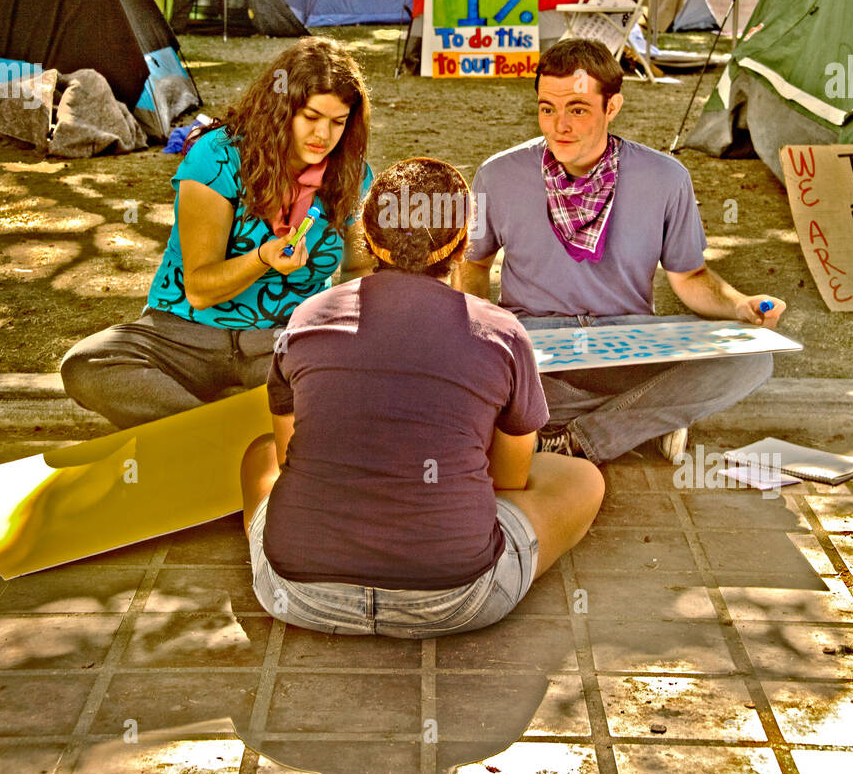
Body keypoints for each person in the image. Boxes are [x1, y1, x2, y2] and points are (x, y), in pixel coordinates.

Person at [241, 157, 604, 638]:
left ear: (368, 240)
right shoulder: (501, 333)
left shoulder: (307, 317)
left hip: (299, 595)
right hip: (456, 598)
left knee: (258, 456)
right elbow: (511, 480)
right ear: (462, 245)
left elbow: (288, 453)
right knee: (582, 478)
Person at [453, 38, 787, 464]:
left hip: (628, 341)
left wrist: (741, 307)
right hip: (536, 343)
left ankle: (574, 434)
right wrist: (478, 330)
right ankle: (646, 418)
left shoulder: (666, 177)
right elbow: (474, 262)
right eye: (547, 109)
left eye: (577, 109)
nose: (559, 126)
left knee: (754, 359)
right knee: (470, 370)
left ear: (612, 107)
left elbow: (690, 277)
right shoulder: (497, 174)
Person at [61, 38, 373, 428]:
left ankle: (198, 432)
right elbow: (200, 289)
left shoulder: (352, 173)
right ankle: (218, 432)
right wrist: (262, 259)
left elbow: (360, 273)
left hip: (281, 341)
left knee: (355, 379)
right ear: (281, 109)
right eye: (311, 116)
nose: (323, 135)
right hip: (187, 333)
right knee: (87, 364)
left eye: (338, 121)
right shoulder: (217, 155)